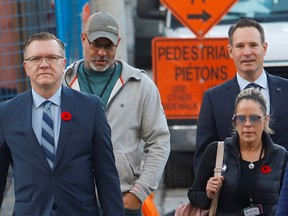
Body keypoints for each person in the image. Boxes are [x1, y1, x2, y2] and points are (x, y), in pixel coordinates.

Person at [0, 32, 125, 216]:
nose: (44, 64)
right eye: (35, 59)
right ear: (26, 67)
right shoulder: (6, 113)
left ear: (63, 63)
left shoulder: (90, 108)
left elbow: (106, 175)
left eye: (52, 57)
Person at [63, 11, 170, 216]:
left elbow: (159, 141)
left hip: (123, 202)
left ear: (118, 43)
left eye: (108, 46)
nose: (102, 53)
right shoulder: (63, 84)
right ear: (83, 39)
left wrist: (139, 193)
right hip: (73, 203)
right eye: (96, 44)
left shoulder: (140, 85)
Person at [194, 18, 288, 171]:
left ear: (264, 48)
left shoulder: (286, 90)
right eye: (240, 46)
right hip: (233, 192)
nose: (247, 52)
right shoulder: (213, 99)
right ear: (230, 51)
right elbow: (204, 159)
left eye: (253, 45)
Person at [188, 88, 288, 215]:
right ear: (235, 121)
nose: (247, 124)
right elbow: (193, 194)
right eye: (241, 118)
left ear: (266, 119)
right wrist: (208, 195)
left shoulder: (281, 156)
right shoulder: (216, 151)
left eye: (254, 118)